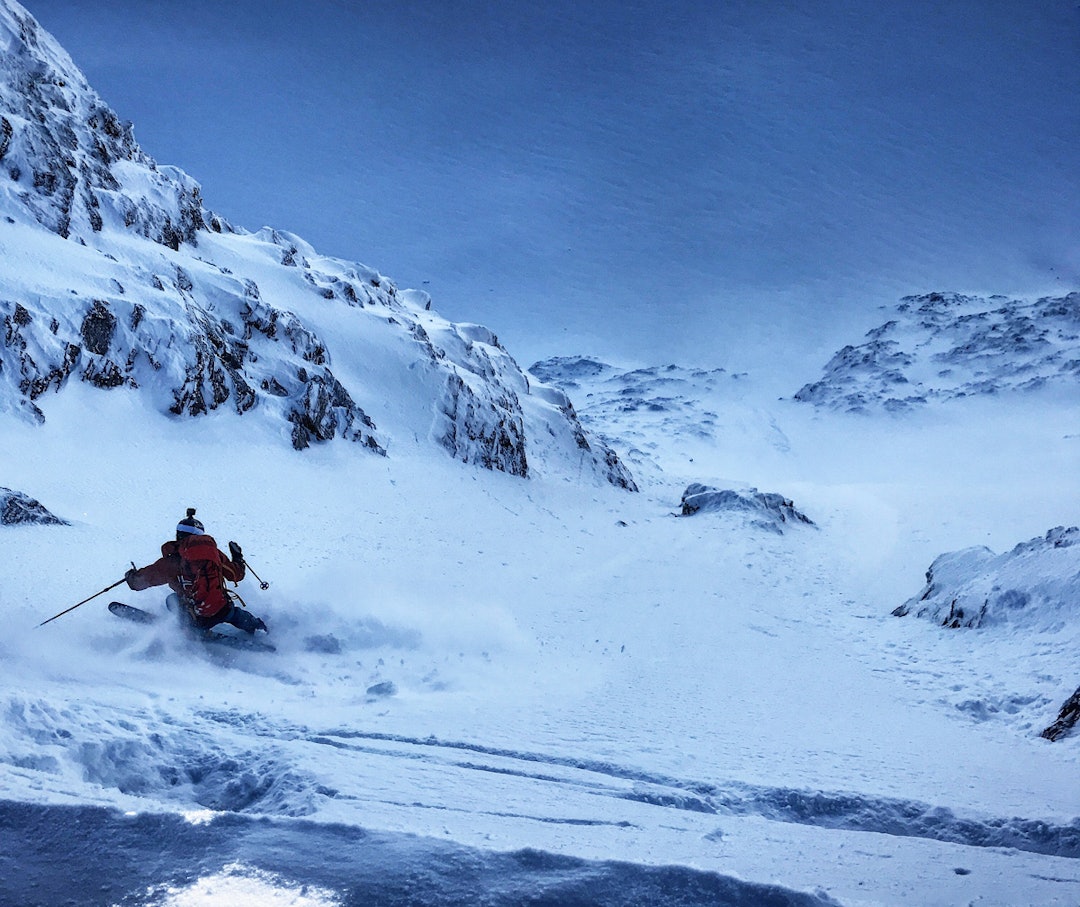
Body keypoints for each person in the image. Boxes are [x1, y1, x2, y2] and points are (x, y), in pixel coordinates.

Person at [125, 508, 268, 635]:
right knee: (234, 615)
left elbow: (138, 583)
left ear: (179, 535)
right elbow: (237, 575)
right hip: (221, 609)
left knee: (172, 600)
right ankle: (258, 628)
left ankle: (188, 630)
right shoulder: (214, 555)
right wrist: (238, 557)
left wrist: (131, 576)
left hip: (196, 617)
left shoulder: (170, 562)